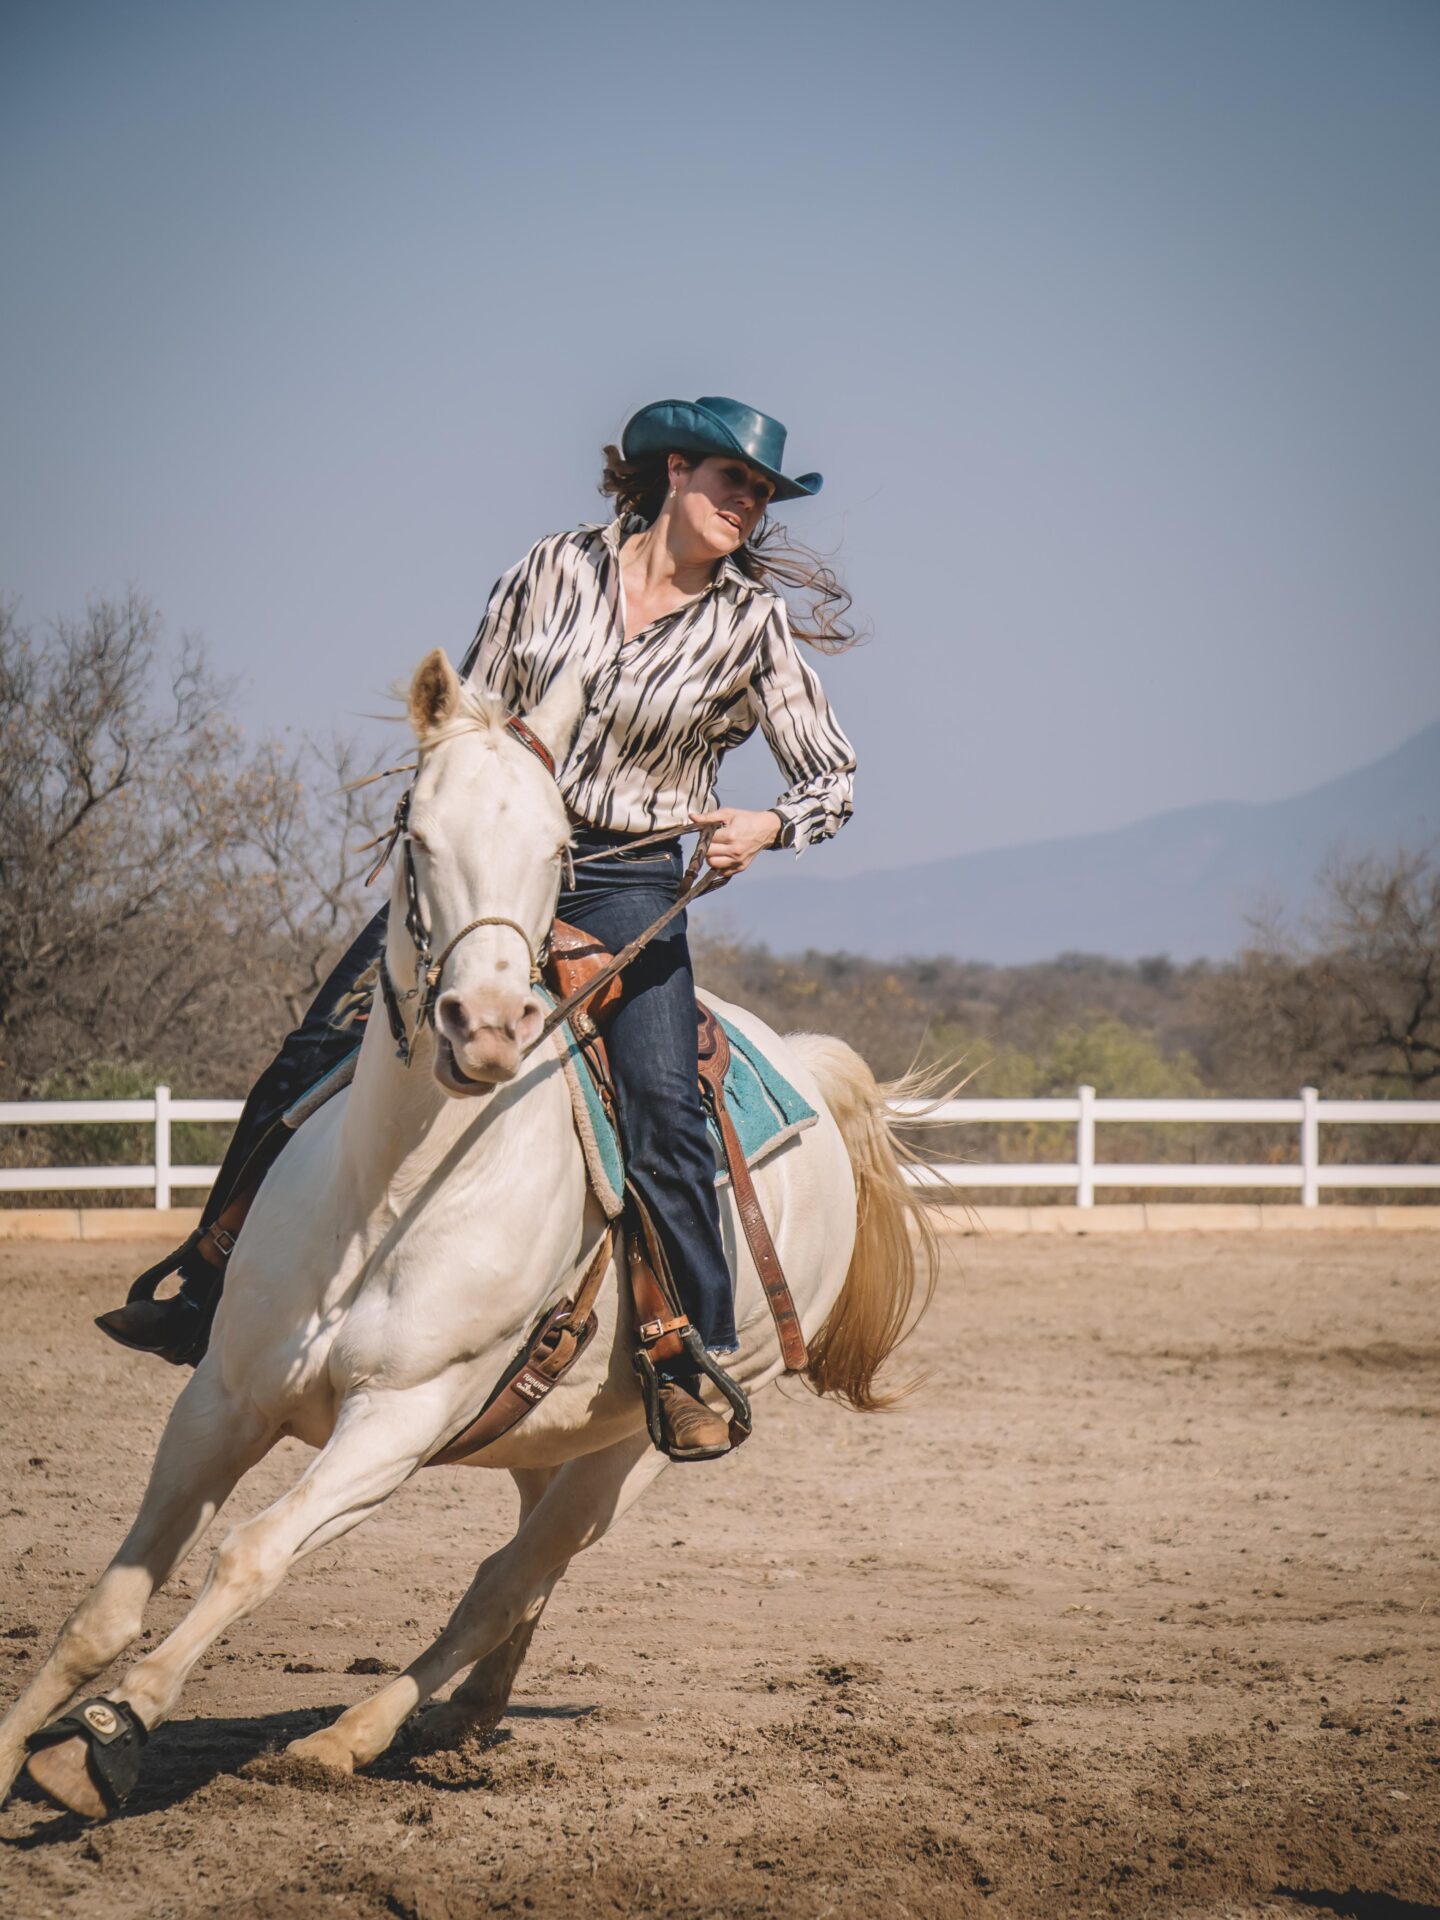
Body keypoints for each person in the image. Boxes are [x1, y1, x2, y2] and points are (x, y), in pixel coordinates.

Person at [97, 395, 857, 1460]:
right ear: (676, 470)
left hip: (626, 878)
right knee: (312, 1052)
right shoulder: (550, 567)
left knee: (660, 1105)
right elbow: (472, 712)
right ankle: (206, 1281)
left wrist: (767, 824)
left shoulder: (751, 625)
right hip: (498, 864)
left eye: (765, 493)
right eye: (736, 479)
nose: (751, 504)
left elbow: (833, 779)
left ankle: (687, 1351)